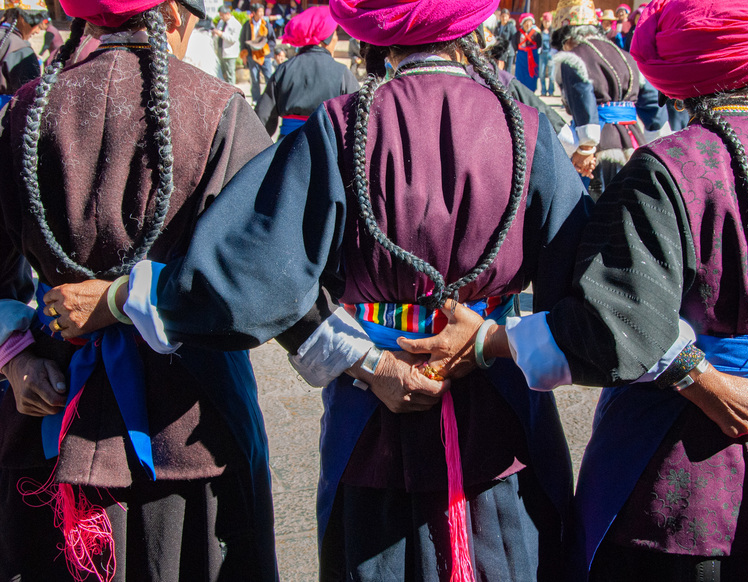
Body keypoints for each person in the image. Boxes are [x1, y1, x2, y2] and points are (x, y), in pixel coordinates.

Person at [46, 0, 592, 578]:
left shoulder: (340, 126)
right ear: (470, 28)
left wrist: (124, 298)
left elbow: (253, 272)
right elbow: (590, 295)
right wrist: (491, 340)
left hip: (371, 416)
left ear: (376, 38)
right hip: (503, 420)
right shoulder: (526, 127)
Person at [403, 0, 748, 579]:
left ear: (684, 71)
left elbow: (612, 323)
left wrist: (488, 341)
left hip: (681, 470)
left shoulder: (668, 169)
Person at [0, 0, 281, 579]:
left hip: (52, 404)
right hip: (190, 420)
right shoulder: (217, 108)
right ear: (172, 13)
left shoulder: (26, 110)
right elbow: (263, 276)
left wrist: (16, 354)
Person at [551, 0, 664, 199]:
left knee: (596, 205)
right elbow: (653, 108)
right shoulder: (626, 56)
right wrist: (651, 140)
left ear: (565, 33)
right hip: (634, 142)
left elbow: (584, 102)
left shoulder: (574, 57)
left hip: (600, 149)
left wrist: (586, 149)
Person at [256, 5, 358, 137]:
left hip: (288, 146)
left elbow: (261, 121)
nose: (336, 38)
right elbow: (358, 120)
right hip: (327, 147)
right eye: (335, 33)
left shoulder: (284, 70)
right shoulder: (342, 73)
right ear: (327, 38)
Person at [0, 0, 46, 110]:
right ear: (22, 18)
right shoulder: (21, 50)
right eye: (37, 23)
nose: (38, 31)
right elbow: (29, 98)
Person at [239, 2, 276, 103]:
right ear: (254, 13)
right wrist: (244, 54)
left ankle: (270, 98)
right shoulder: (247, 25)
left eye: (262, 11)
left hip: (264, 54)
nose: (262, 14)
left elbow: (272, 39)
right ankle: (256, 98)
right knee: (254, 78)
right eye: (260, 11)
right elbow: (242, 40)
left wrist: (268, 49)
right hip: (252, 54)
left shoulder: (266, 24)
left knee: (268, 77)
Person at [513, 12, 540, 92]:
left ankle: (531, 90)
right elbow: (514, 43)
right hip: (522, 56)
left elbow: (539, 43)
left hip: (532, 56)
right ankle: (520, 90)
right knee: (521, 73)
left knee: (532, 73)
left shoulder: (536, 34)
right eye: (526, 22)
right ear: (522, 23)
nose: (528, 24)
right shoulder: (518, 34)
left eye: (529, 22)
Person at [213, 4, 241, 84]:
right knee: (222, 73)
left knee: (230, 74)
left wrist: (221, 34)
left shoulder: (235, 24)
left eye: (222, 15)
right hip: (220, 50)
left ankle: (232, 90)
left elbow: (233, 39)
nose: (221, 17)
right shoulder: (221, 22)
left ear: (228, 14)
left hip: (230, 53)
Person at [494, 7, 516, 73]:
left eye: (506, 16)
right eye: (503, 16)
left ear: (508, 17)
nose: (504, 18)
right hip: (500, 51)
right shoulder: (498, 25)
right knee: (499, 70)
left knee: (507, 70)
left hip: (508, 51)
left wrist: (511, 47)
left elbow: (514, 39)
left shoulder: (511, 26)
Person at [539, 12, 556, 96]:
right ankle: (543, 90)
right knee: (541, 74)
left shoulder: (553, 32)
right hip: (542, 54)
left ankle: (551, 90)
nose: (546, 23)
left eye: (548, 22)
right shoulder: (540, 32)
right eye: (545, 21)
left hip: (551, 54)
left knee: (551, 74)